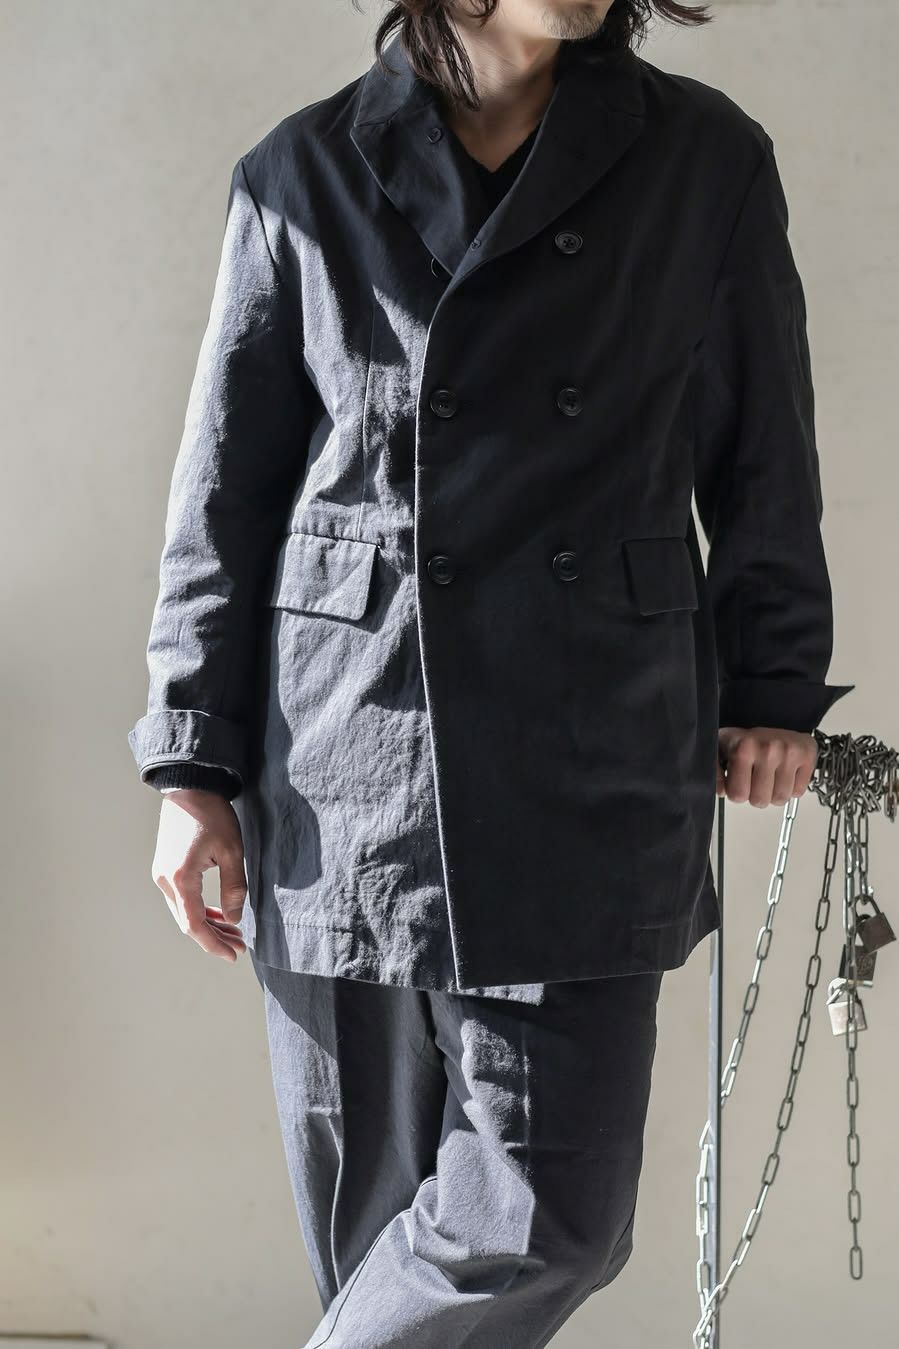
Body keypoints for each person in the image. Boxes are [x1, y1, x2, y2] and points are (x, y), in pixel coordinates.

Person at [127, 1, 854, 1343]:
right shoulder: (304, 172)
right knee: (370, 1236)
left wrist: (774, 680)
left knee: (548, 1216)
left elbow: (764, 448)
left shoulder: (704, 161)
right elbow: (225, 494)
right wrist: (190, 765)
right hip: (348, 755)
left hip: (591, 738)